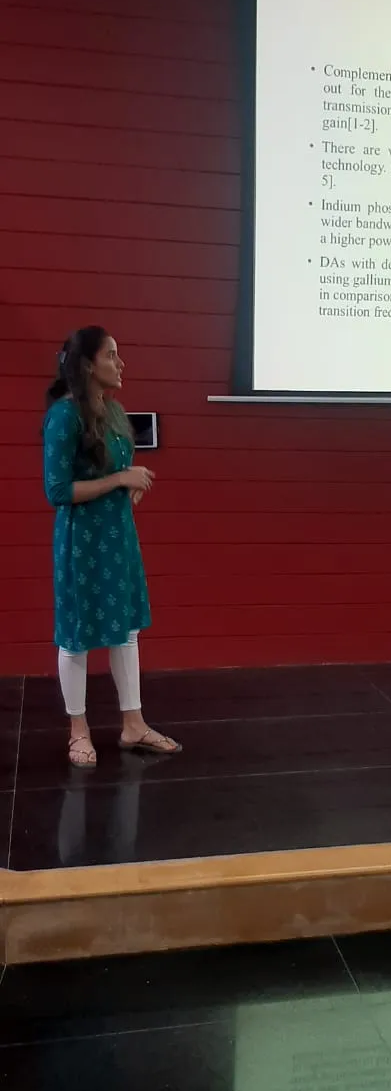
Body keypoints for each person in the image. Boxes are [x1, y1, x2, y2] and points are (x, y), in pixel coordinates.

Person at [43, 325, 181, 766]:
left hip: (118, 536)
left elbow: (119, 467)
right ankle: (78, 730)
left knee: (126, 630)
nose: (121, 364)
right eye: (111, 355)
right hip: (81, 541)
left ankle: (133, 724)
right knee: (76, 635)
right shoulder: (64, 417)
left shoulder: (115, 410)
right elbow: (58, 491)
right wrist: (120, 479)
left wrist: (132, 482)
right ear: (87, 365)